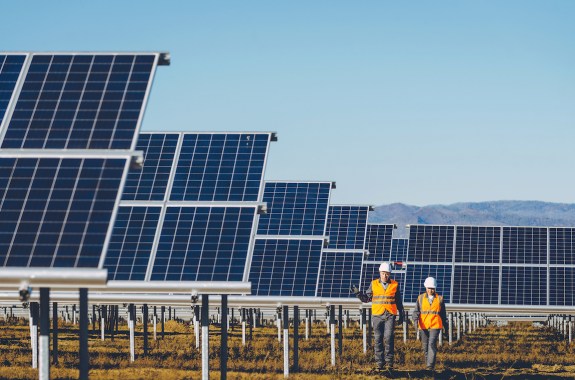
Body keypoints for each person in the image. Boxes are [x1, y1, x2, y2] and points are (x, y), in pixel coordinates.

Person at [352, 262, 405, 371]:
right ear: (380, 273)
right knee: (378, 339)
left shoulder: (395, 284)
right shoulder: (374, 284)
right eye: (383, 273)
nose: (385, 276)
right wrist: (358, 293)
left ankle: (389, 363)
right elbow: (366, 299)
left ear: (389, 274)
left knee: (389, 337)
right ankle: (379, 363)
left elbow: (398, 301)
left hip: (390, 314)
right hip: (377, 315)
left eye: (387, 274)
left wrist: (401, 314)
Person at [412, 276, 448, 373]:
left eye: (432, 288)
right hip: (423, 325)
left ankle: (430, 366)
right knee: (425, 346)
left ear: (435, 288)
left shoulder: (440, 299)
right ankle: (428, 365)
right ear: (425, 288)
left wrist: (446, 327)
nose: (430, 290)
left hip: (435, 325)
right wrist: (415, 324)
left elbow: (443, 314)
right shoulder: (420, 298)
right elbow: (416, 312)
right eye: (428, 288)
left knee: (432, 344)